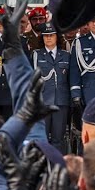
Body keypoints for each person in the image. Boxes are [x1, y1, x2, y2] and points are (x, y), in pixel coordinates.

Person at [33, 23, 72, 151]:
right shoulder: (36, 55)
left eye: (51, 35)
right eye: (46, 36)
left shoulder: (66, 55)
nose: (48, 38)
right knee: (42, 138)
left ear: (57, 37)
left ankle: (57, 162)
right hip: (42, 102)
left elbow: (70, 79)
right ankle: (43, 163)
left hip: (61, 101)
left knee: (58, 138)